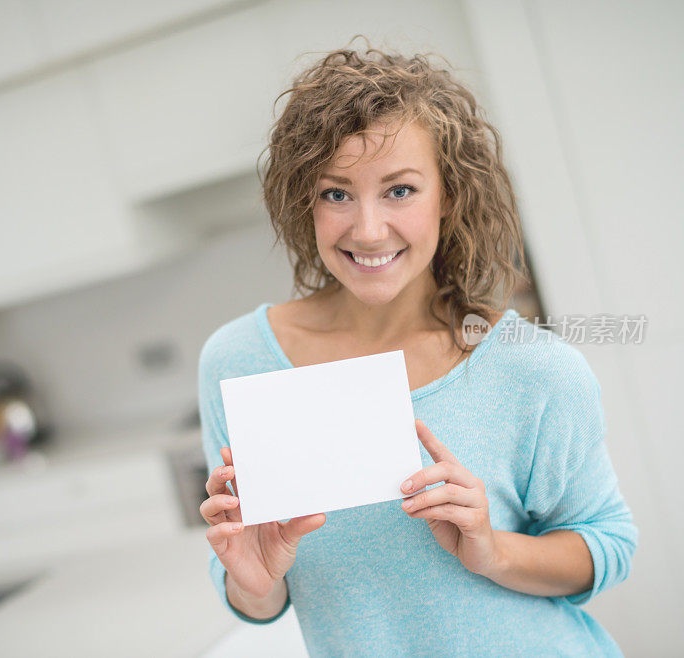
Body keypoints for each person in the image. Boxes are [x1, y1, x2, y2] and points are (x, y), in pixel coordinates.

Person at [197, 37, 637, 657]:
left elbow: (608, 545)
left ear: (447, 195)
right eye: (336, 193)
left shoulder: (536, 370)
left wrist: (492, 549)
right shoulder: (239, 362)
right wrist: (254, 582)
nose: (368, 229)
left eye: (400, 190)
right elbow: (259, 592)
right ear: (306, 201)